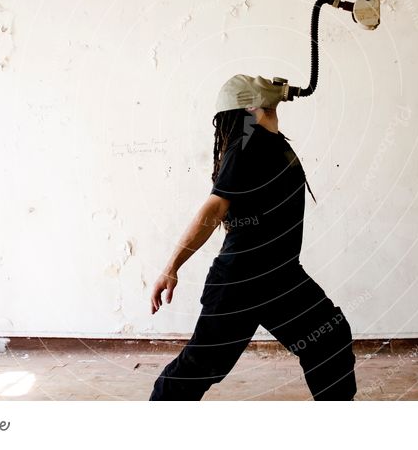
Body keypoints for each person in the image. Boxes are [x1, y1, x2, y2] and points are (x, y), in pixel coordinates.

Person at [148, 74, 356, 400]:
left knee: (329, 337)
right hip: (242, 280)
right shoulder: (248, 141)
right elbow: (214, 207)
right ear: (251, 106)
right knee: (200, 366)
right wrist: (171, 266)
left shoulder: (267, 142)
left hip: (280, 276)